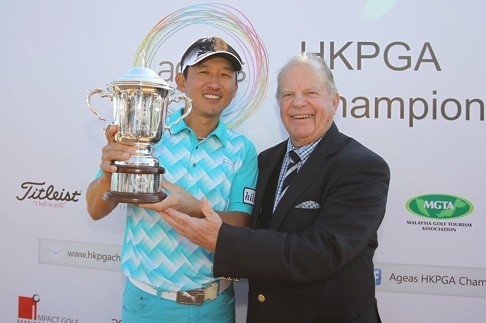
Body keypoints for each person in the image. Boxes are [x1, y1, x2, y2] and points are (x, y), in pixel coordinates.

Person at [155, 52, 391, 323]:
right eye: (287, 95)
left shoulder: (363, 167)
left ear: (334, 101)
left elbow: (323, 251)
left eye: (311, 92)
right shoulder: (267, 160)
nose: (298, 103)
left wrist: (222, 240)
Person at [85, 37, 258, 323]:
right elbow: (94, 209)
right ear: (180, 81)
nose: (214, 83)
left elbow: (241, 222)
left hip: (214, 306)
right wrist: (107, 175)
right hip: (147, 305)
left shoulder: (242, 149)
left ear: (235, 87)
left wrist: (193, 206)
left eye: (225, 74)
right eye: (203, 72)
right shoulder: (145, 132)